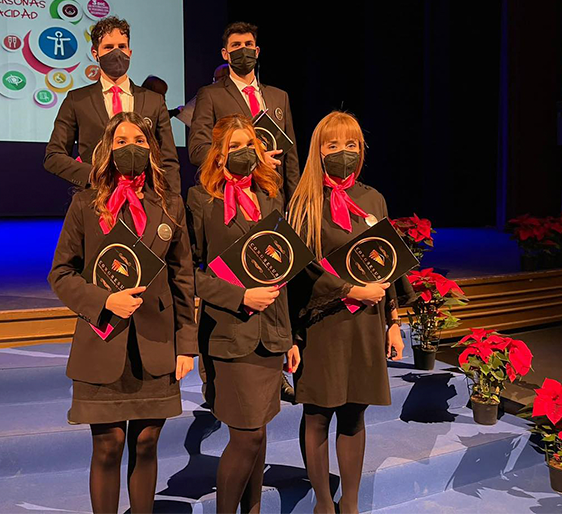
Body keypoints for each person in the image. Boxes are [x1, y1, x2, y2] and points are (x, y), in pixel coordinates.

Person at [48, 111, 197, 514]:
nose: (131, 148)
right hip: (103, 339)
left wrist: (187, 344)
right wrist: (104, 301)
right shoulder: (85, 204)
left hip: (156, 343)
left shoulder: (171, 205)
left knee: (147, 444)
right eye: (121, 141)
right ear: (107, 151)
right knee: (108, 445)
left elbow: (183, 278)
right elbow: (60, 273)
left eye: (139, 141)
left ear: (152, 150)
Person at [287, 111, 405, 514]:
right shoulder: (303, 202)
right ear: (318, 151)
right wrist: (350, 290)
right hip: (321, 323)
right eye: (333, 145)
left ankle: (349, 504)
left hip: (366, 323)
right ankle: (323, 504)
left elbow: (387, 264)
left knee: (355, 413)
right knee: (318, 415)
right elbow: (302, 272)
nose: (343, 152)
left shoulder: (373, 199)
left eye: (351, 144)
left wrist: (394, 322)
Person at [186, 114, 300, 514]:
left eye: (249, 145)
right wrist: (241, 296)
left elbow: (283, 269)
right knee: (247, 436)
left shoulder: (271, 197)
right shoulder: (201, 199)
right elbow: (187, 273)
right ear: (218, 155)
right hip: (229, 333)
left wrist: (290, 336)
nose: (244, 152)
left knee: (260, 432)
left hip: (271, 335)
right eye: (234, 146)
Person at [44, 16, 181, 193]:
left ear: (130, 52)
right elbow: (54, 156)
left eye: (122, 47)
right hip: (95, 197)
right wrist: (94, 176)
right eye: (109, 47)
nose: (117, 53)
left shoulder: (153, 101)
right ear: (95, 53)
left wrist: (173, 200)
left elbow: (168, 159)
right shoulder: (77, 100)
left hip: (144, 197)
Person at [188, 22, 300, 203]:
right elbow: (198, 149)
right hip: (231, 196)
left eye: (248, 44)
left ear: (256, 51)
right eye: (236, 45)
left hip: (273, 196)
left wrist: (294, 203)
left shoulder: (279, 97)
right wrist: (252, 159)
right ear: (225, 54)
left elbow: (291, 158)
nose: (243, 50)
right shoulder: (211, 95)